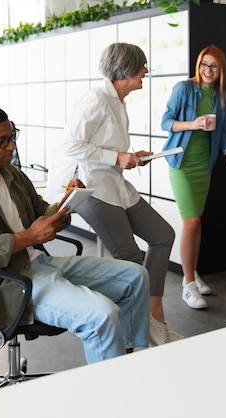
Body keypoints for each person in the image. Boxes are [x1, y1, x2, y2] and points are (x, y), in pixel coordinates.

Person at [0, 103, 150, 364]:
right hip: (7, 281)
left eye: (12, 137)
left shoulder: (11, 174)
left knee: (136, 276)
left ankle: (123, 365)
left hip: (39, 263)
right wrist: (28, 238)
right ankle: (110, 395)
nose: (11, 147)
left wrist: (66, 203)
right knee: (101, 315)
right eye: (2, 141)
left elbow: (41, 213)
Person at [45, 42, 180, 346]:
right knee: (130, 258)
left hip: (114, 182)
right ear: (127, 69)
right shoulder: (95, 99)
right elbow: (70, 145)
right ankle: (140, 330)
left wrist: (130, 156)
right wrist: (116, 157)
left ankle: (152, 310)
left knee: (162, 235)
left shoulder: (117, 101)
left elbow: (106, 147)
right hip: (90, 186)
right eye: (142, 66)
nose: (146, 71)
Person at [161, 45, 226, 310]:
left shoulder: (223, 96)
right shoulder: (184, 88)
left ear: (221, 70)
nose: (208, 71)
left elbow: (225, 135)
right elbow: (166, 122)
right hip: (181, 162)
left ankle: (193, 273)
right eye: (204, 65)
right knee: (192, 222)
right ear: (198, 66)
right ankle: (187, 285)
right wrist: (193, 124)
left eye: (214, 66)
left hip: (203, 166)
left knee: (197, 223)